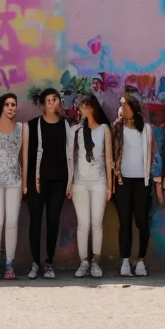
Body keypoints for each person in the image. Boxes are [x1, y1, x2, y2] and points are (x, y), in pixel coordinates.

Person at [113, 93, 162, 276]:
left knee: (142, 221)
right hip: (122, 181)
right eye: (121, 105)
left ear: (133, 108)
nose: (122, 108)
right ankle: (125, 261)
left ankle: (140, 260)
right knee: (124, 222)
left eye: (125, 105)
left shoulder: (147, 129)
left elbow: (154, 155)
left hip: (142, 181)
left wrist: (157, 180)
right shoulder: (117, 128)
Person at [0, 92, 28, 280]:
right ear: (1, 107)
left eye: (13, 104)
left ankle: (9, 264)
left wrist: (24, 183)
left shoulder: (22, 128)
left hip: (14, 181)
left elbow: (23, 158)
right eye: (7, 104)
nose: (11, 108)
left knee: (11, 223)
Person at [68, 94, 113, 278]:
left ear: (93, 108)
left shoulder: (104, 129)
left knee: (96, 223)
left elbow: (108, 158)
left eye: (86, 106)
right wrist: (69, 183)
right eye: (81, 107)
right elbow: (70, 158)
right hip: (79, 183)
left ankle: (95, 261)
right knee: (83, 224)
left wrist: (110, 186)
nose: (82, 110)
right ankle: (83, 261)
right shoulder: (75, 130)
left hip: (99, 182)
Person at [29, 88, 71, 279]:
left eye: (55, 99)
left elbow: (70, 154)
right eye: (49, 100)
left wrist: (70, 182)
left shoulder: (65, 125)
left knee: (53, 220)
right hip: (38, 181)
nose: (53, 103)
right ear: (43, 105)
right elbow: (29, 155)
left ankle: (49, 262)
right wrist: (30, 181)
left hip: (59, 181)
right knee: (35, 221)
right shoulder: (33, 125)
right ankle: (34, 262)